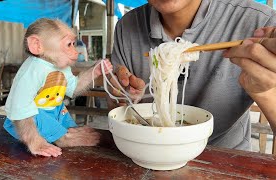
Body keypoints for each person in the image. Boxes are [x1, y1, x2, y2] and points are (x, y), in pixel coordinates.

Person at [108, 0, 276, 151]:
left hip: (226, 159)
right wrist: (121, 95)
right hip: (149, 152)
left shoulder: (259, 24)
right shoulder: (126, 26)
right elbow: (120, 108)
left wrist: (267, 94)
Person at [3, 18, 113, 157]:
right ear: (37, 45)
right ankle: (63, 138)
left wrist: (93, 72)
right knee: (36, 112)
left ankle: (65, 133)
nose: (76, 51)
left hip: (54, 110)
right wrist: (35, 142)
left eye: (74, 43)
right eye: (68, 44)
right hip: (28, 122)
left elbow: (73, 89)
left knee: (66, 117)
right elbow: (20, 110)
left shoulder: (61, 65)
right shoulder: (34, 69)